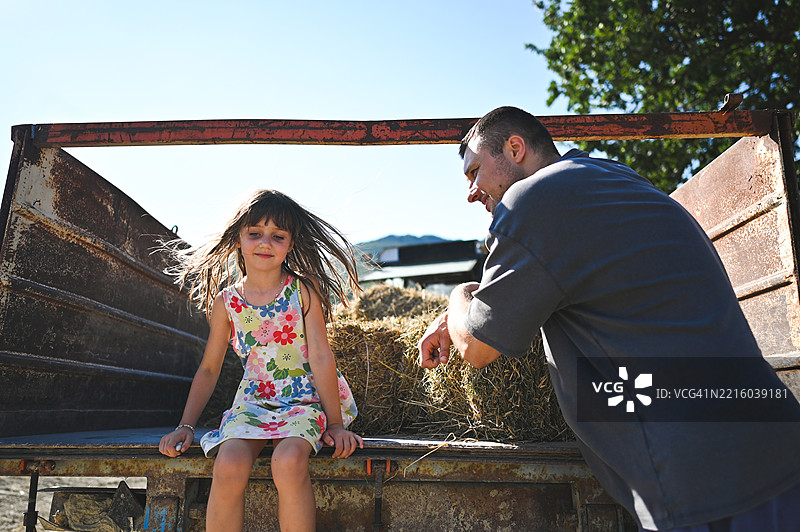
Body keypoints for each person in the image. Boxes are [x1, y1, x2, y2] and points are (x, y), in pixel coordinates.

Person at [418, 106, 800, 531]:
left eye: (474, 173)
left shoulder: (533, 200)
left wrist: (458, 296)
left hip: (706, 483)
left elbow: (476, 348)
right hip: (776, 440)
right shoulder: (611, 176)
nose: (471, 193)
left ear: (515, 148)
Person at [159, 189, 364, 532]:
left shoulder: (303, 290)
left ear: (291, 244)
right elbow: (209, 368)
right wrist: (186, 425)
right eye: (255, 233)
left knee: (288, 461)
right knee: (228, 464)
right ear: (238, 239)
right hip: (254, 402)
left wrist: (336, 424)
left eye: (278, 236)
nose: (265, 243)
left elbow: (320, 355)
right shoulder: (227, 302)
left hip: (304, 401)